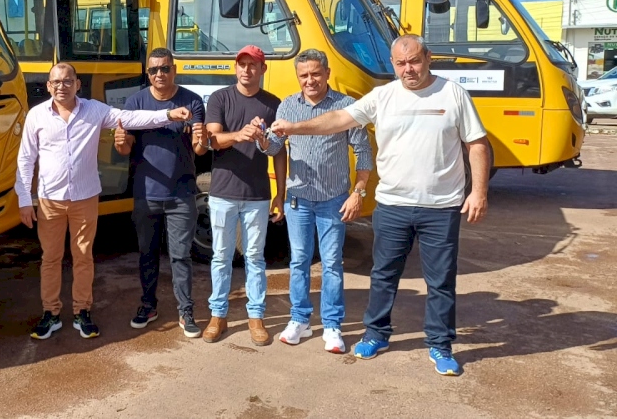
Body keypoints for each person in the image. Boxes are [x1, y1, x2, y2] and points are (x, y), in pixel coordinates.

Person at [270, 35, 490, 376]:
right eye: (401, 63)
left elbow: (477, 144)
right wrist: (294, 128)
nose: (408, 69)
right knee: (384, 276)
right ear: (393, 64)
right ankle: (376, 335)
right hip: (393, 204)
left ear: (428, 58)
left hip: (441, 206)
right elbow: (337, 120)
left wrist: (479, 192)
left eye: (414, 61)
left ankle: (440, 345)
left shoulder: (453, 94)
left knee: (441, 281)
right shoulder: (382, 96)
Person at [16, 63, 192, 340]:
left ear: (77, 84)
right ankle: (50, 313)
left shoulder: (94, 110)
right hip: (50, 200)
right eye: (56, 82)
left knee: (83, 257)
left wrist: (168, 114)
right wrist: (25, 199)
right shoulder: (37, 115)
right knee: (50, 258)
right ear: (48, 86)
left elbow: (130, 118)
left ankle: (82, 311)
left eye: (67, 81)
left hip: (85, 197)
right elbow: (26, 159)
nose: (62, 87)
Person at [266, 49, 374, 354]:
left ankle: (332, 325)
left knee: (332, 264)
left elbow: (363, 152)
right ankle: (300, 319)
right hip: (298, 199)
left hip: (333, 200)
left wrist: (358, 192)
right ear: (297, 77)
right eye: (304, 75)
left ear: (327, 73)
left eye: (315, 73)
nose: (310, 80)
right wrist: (263, 139)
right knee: (299, 261)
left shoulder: (346, 106)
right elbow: (274, 148)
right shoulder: (288, 105)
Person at [114, 48, 208, 338]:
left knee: (180, 256)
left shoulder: (192, 101)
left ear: (174, 70)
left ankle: (186, 311)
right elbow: (125, 149)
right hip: (146, 193)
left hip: (182, 193)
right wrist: (120, 141)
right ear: (148, 73)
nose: (159, 74)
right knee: (147, 254)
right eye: (154, 70)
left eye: (165, 68)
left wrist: (202, 139)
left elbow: (199, 150)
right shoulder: (136, 102)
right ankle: (148, 306)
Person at [202, 45, 284, 347]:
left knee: (255, 258)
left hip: (258, 195)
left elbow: (279, 152)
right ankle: (218, 315)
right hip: (223, 193)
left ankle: (256, 317)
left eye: (253, 65)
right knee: (221, 257)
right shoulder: (220, 98)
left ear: (263, 69)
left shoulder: (273, 104)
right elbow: (212, 140)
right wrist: (238, 135)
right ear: (235, 68)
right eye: (242, 64)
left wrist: (280, 194)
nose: (246, 70)